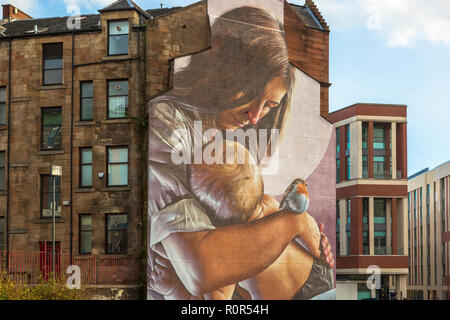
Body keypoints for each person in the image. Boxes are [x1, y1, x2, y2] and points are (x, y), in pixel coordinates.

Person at [147, 6, 334, 299]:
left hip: (306, 286)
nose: (256, 116)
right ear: (223, 68)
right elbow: (201, 270)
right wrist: (293, 222)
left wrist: (290, 222)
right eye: (249, 94)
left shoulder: (236, 135)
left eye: (269, 105)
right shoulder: (169, 123)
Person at [150, 141, 334, 300]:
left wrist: (172, 289)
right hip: (317, 274)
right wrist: (319, 247)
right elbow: (306, 234)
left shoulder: (231, 249)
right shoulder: (269, 204)